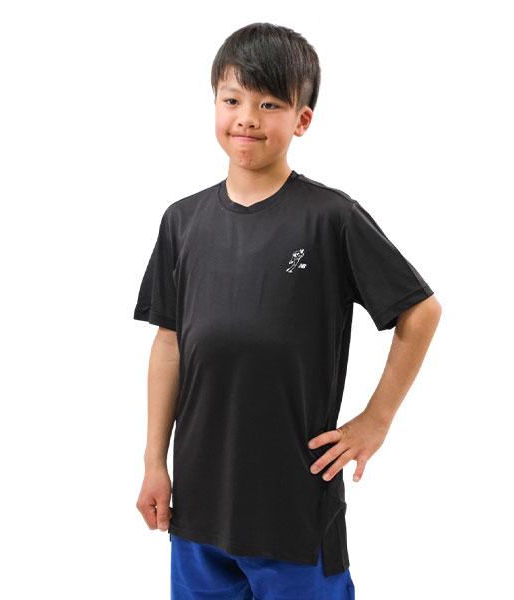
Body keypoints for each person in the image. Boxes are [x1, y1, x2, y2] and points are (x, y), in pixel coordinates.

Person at [133, 22, 442, 600]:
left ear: (301, 119)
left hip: (293, 507)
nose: (247, 118)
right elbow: (168, 343)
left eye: (269, 104)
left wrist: (375, 421)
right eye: (232, 100)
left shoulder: (331, 218)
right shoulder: (182, 222)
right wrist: (155, 463)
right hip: (198, 508)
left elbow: (420, 311)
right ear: (215, 104)